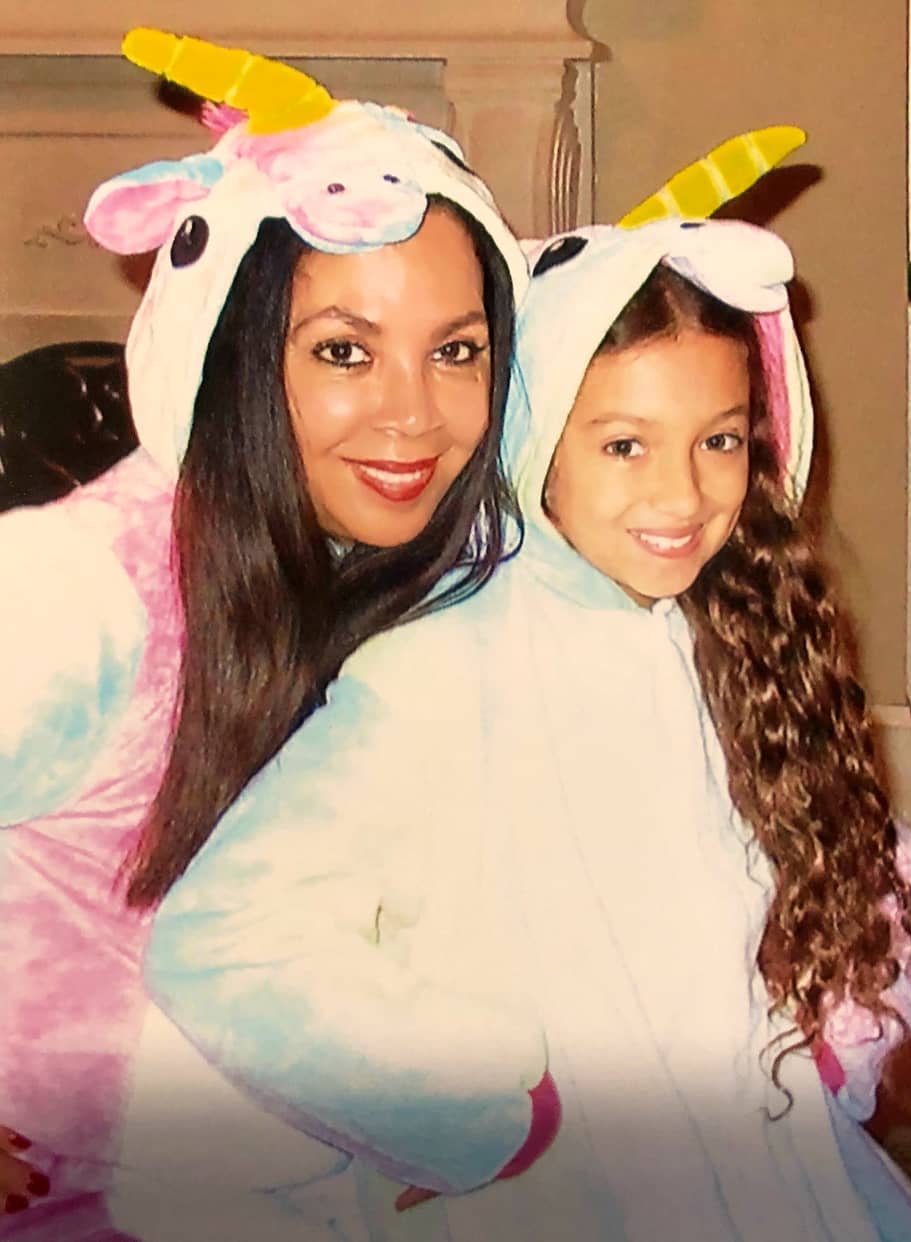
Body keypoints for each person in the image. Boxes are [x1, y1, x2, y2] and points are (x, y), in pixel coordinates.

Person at [144, 216, 911, 1241]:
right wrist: (477, 1113)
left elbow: (850, 861)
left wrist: (825, 1041)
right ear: (538, 442)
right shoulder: (441, 668)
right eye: (624, 446)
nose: (681, 493)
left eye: (719, 440)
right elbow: (222, 947)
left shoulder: (727, 627)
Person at [0, 28, 527, 1238]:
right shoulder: (78, 595)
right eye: (345, 351)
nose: (412, 416)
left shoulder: (434, 578)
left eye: (456, 352)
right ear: (230, 348)